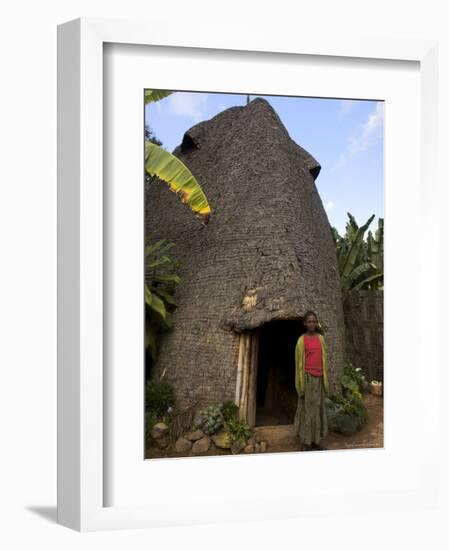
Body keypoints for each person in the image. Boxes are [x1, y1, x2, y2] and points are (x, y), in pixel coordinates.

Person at [294, 310, 330, 451]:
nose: (312, 323)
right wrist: (300, 384)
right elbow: (298, 365)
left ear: (317, 323)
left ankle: (316, 441)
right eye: (309, 321)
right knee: (307, 410)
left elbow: (324, 359)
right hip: (307, 379)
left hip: (319, 378)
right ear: (305, 323)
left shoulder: (321, 339)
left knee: (318, 409)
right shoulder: (301, 341)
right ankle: (306, 442)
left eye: (314, 321)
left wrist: (324, 377)